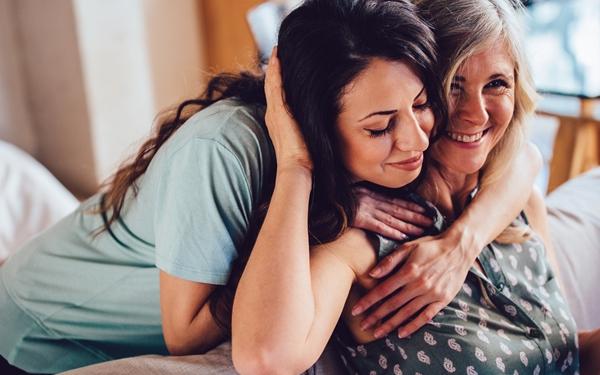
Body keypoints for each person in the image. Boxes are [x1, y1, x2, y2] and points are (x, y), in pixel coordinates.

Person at [0, 0, 537, 374]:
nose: (417, 139)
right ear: (314, 123)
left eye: (421, 104)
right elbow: (184, 335)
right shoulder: (224, 151)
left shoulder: (398, 143)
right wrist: (305, 183)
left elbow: (523, 159)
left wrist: (460, 244)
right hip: (40, 332)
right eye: (379, 127)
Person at [231, 0, 600, 374]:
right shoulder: (368, 240)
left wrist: (460, 244)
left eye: (497, 84)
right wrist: (297, 165)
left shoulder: (521, 205)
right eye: (453, 85)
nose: (477, 113)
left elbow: (563, 353)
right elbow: (266, 359)